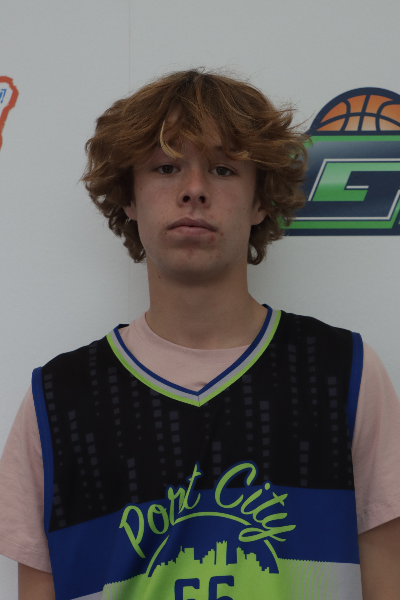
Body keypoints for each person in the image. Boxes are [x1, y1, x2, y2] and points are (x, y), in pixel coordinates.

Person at [1, 69, 400, 600]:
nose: (193, 190)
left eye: (223, 168)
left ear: (260, 201)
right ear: (129, 197)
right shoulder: (56, 402)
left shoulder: (344, 373)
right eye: (166, 167)